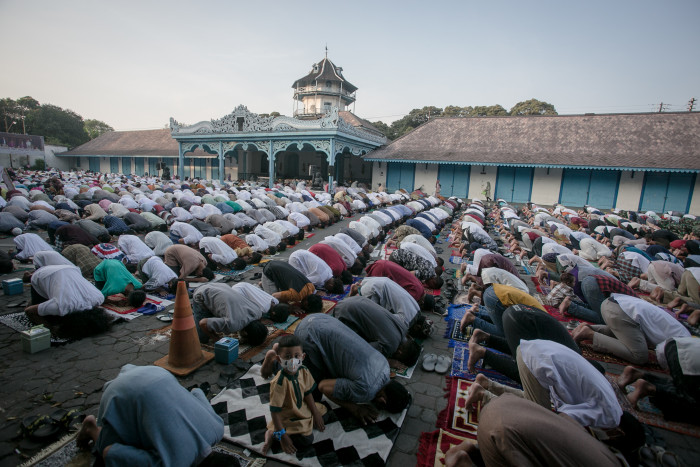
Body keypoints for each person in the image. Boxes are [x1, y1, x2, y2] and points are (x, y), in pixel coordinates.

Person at [263, 314, 409, 425]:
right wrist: (355, 408)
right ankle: (276, 360)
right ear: (382, 401)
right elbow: (323, 386)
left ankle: (282, 350)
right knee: (312, 396)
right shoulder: (367, 390)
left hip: (319, 319)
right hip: (310, 335)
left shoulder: (384, 366)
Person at [76, 364, 225, 466]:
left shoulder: (217, 428)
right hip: (120, 395)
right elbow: (110, 453)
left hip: (154, 373)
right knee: (105, 450)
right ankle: (92, 429)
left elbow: (197, 393)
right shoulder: (172, 464)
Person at [572, 294, 691, 365]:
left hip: (611, 304)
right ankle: (591, 334)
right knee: (639, 356)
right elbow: (661, 352)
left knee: (630, 336)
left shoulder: (680, 330)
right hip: (620, 313)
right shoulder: (683, 341)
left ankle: (589, 328)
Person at [261, 335, 327, 455]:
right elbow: (275, 412)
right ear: (280, 359)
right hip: (287, 415)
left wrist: (316, 413)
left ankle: (277, 431)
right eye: (287, 357)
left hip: (301, 408)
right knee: (306, 440)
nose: (293, 361)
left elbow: (307, 393)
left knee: (324, 414)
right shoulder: (279, 383)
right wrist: (283, 436)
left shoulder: (303, 370)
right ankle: (274, 434)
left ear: (303, 357)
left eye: (296, 356)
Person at [24, 265, 111, 339]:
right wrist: (50, 330)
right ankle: (29, 276)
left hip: (69, 269)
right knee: (47, 316)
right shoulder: (60, 307)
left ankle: (29, 277)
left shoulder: (98, 298)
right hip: (41, 275)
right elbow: (29, 311)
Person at [332, 296, 421, 366]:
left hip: (354, 300)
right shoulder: (391, 346)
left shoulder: (403, 328)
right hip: (344, 312)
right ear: (399, 352)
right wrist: (387, 361)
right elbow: (365, 352)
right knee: (350, 349)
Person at [193, 283, 275, 344]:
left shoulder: (258, 312)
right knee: (202, 339)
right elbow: (203, 323)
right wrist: (216, 339)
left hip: (220, 286)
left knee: (220, 316)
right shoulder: (233, 325)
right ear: (245, 333)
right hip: (202, 293)